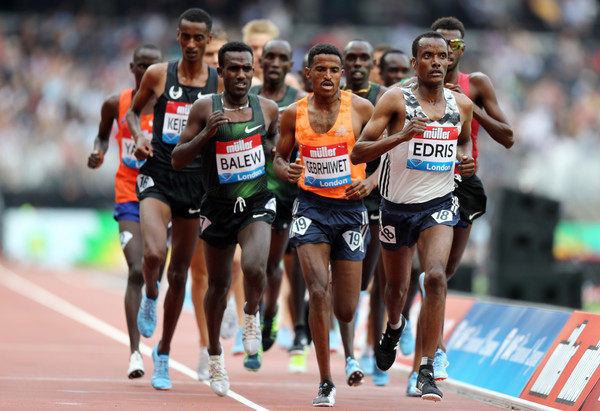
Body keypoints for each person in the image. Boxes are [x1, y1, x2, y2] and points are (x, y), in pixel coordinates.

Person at [351, 31, 474, 402]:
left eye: (442, 56)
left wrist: (465, 159)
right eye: (428, 56)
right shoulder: (395, 99)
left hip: (439, 203)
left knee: (435, 277)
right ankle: (394, 326)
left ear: (449, 61)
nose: (436, 62)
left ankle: (426, 369)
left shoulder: (460, 104)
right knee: (396, 290)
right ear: (414, 61)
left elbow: (464, 139)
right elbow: (359, 152)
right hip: (396, 208)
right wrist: (401, 137)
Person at [402, 16, 515, 397]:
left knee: (441, 274)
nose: (446, 54)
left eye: (454, 47)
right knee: (429, 276)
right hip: (424, 185)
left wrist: (468, 106)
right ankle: (427, 358)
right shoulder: (411, 89)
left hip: (462, 185)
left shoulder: (476, 85)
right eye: (438, 47)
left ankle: (424, 349)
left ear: (462, 49)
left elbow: (508, 137)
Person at [171, 41, 279, 397]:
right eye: (234, 68)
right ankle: (215, 354)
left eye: (247, 68)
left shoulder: (267, 108)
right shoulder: (205, 107)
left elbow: (275, 140)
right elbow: (177, 159)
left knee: (254, 267)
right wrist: (206, 135)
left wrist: (276, 154)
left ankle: (250, 314)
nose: (241, 74)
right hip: (217, 209)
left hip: (255, 203)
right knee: (217, 286)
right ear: (221, 71)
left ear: (253, 70)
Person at [274, 42, 376, 407]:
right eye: (321, 70)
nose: (328, 76)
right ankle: (325, 381)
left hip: (350, 211)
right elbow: (278, 160)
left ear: (342, 74)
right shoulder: (293, 113)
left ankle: (347, 347)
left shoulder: (361, 109)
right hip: (311, 208)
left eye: (334, 70)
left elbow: (388, 155)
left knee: (345, 308)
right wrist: (287, 171)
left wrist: (371, 182)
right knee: (317, 291)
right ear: (308, 74)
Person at [125, 8, 218, 390]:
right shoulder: (158, 74)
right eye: (185, 36)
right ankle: (150, 292)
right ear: (177, 36)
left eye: (199, 38)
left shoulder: (218, 81)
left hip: (196, 185)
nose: (191, 44)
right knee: (153, 254)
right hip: (159, 175)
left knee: (179, 273)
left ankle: (163, 353)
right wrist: (139, 137)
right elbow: (133, 113)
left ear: (209, 40)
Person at [87, 43, 163, 380]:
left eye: (153, 66)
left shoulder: (170, 106)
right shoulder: (114, 103)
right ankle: (135, 352)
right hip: (129, 194)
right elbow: (102, 137)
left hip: (162, 195)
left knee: (154, 270)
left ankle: (151, 297)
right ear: (132, 68)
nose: (147, 72)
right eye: (141, 66)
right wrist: (98, 152)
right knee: (135, 270)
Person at [248, 38, 308, 371]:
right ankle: (253, 322)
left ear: (289, 65)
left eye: (281, 57)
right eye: (268, 56)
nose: (273, 62)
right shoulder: (248, 96)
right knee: (253, 265)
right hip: (252, 191)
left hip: (285, 194)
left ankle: (270, 313)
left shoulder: (301, 100)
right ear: (260, 62)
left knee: (272, 265)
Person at [340, 38, 389, 387]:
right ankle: (350, 352)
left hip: (372, 198)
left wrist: (372, 181)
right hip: (333, 198)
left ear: (373, 65)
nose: (357, 64)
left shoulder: (383, 98)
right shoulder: (330, 94)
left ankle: (370, 346)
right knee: (342, 277)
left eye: (363, 58)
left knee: (366, 280)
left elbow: (393, 150)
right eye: (351, 58)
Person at [242, 19, 301, 88]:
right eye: (254, 48)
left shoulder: (288, 83)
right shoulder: (237, 81)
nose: (259, 53)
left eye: (265, 48)